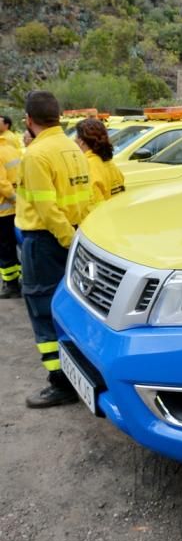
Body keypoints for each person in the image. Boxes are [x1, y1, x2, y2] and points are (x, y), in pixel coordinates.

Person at [15, 90, 91, 408]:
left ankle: (60, 383)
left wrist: (66, 241)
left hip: (48, 242)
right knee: (72, 309)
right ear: (58, 116)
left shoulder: (36, 154)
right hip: (73, 238)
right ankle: (79, 372)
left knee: (43, 311)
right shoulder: (72, 149)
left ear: (29, 120)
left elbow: (46, 211)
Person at [74, 118, 125, 204]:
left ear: (81, 142)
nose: (74, 141)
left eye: (75, 138)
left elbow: (94, 204)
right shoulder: (110, 164)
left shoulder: (86, 167)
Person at [0, 132, 21, 298]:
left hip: (3, 209)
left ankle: (11, 285)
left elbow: (2, 184)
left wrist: (14, 199)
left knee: (5, 249)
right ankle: (19, 279)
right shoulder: (10, 148)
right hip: (15, 209)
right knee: (15, 245)